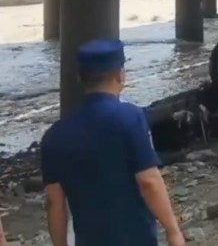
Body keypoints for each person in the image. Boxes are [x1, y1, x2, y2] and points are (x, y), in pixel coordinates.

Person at [40, 39, 185, 246]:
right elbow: (149, 182)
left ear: (80, 77)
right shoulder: (131, 118)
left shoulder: (53, 136)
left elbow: (55, 203)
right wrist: (173, 231)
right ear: (121, 75)